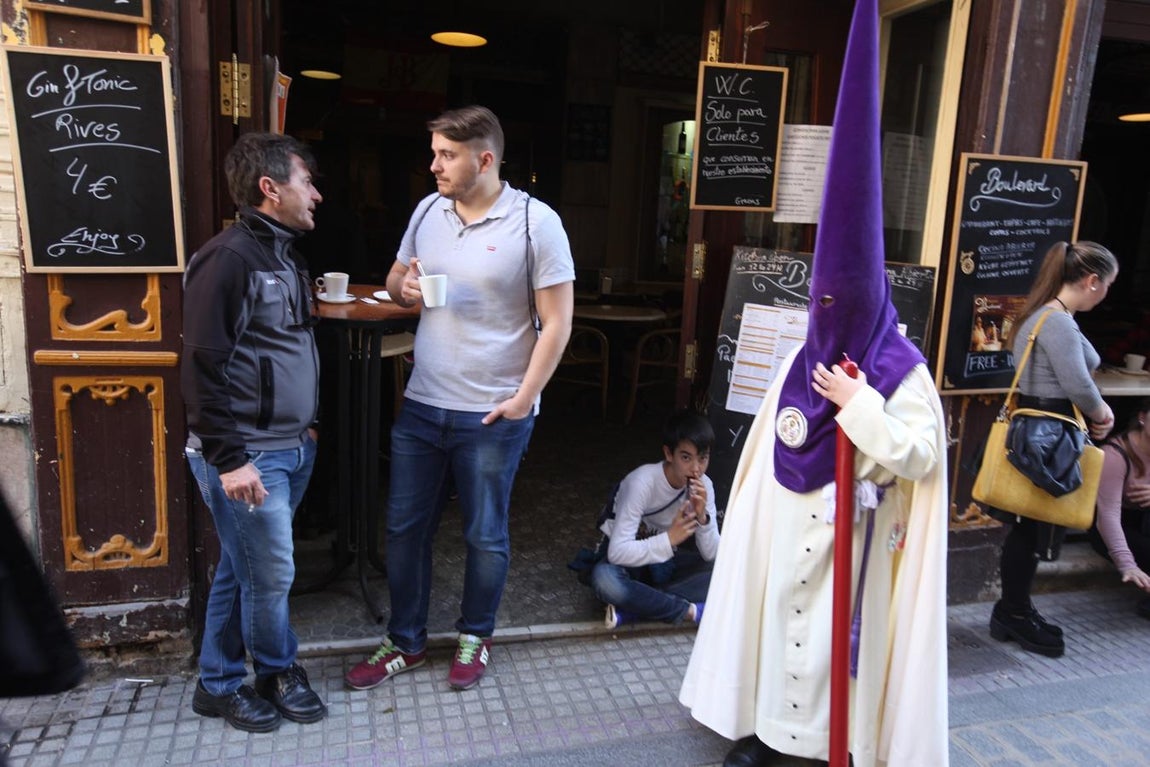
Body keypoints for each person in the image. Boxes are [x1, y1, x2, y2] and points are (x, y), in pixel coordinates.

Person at [680, 2, 950, 764]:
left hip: (857, 544)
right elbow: (769, 450)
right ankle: (766, 732)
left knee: (842, 648)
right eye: (819, 304)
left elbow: (921, 457)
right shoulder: (806, 359)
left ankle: (842, 744)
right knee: (776, 620)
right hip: (789, 536)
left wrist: (858, 404)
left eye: (845, 305)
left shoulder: (903, 370)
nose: (827, 318)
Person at [345, 105, 574, 693]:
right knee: (403, 529)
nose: (434, 166)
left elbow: (557, 323)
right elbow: (396, 279)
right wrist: (407, 287)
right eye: (435, 153)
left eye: (447, 155)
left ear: (485, 159)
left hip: (494, 410)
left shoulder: (535, 223)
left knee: (484, 533)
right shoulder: (428, 210)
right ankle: (405, 641)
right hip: (423, 403)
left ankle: (476, 635)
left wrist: (525, 399)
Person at [181, 132, 326, 732]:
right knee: (270, 575)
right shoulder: (230, 258)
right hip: (248, 457)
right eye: (306, 182)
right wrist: (230, 458)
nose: (316, 194)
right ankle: (276, 668)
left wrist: (307, 427)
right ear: (271, 188)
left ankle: (217, 684)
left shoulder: (284, 255)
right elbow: (200, 367)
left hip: (290, 448)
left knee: (248, 570)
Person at [988, 240, 1117, 659]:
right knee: (1031, 525)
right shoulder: (1056, 321)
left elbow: (1081, 369)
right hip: (1048, 432)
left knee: (1029, 524)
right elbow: (1079, 383)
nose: (1106, 294)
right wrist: (1102, 413)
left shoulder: (1049, 315)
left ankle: (1014, 609)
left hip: (1038, 429)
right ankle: (1013, 612)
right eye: (1107, 285)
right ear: (1092, 281)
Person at [590, 409, 719, 629]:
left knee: (725, 570)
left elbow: (712, 554)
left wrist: (702, 517)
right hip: (630, 565)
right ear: (669, 454)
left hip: (664, 564)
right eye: (686, 457)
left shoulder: (704, 485)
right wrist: (669, 539)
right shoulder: (642, 482)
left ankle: (636, 609)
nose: (696, 469)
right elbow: (618, 552)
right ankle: (687, 610)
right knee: (605, 580)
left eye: (703, 458)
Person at [1089, 398, 1150, 619]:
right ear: (1142, 418)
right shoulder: (1115, 455)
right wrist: (1127, 564)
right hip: (1113, 526)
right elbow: (1107, 516)